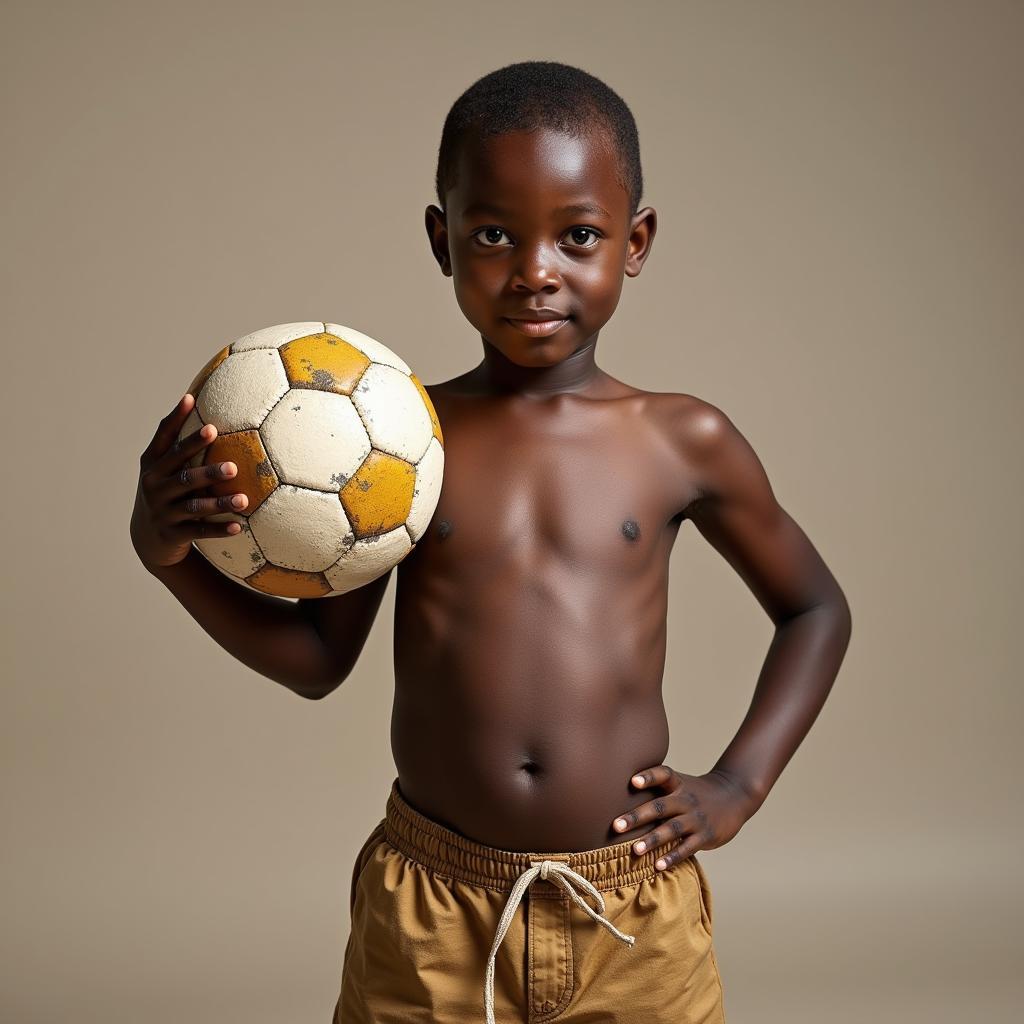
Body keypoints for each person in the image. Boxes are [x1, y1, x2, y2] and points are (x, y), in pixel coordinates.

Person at [130, 60, 852, 1024]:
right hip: (432, 905)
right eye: (494, 235)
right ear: (443, 240)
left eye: (579, 235)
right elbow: (314, 661)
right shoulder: (393, 446)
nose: (535, 269)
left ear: (634, 244)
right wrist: (165, 555)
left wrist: (737, 784)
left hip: (631, 901)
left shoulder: (684, 440)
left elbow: (815, 609)